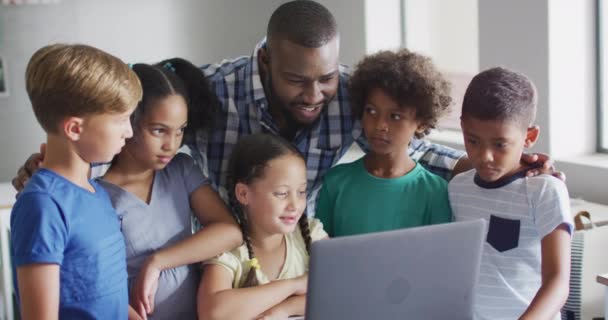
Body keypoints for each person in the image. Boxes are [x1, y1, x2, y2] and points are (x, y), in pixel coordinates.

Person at [12, 0, 557, 213]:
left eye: (325, 79)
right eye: (298, 80)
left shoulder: (350, 95)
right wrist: (62, 165)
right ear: (266, 59)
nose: (314, 95)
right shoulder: (211, 89)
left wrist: (502, 166)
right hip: (217, 246)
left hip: (299, 250)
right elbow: (134, 134)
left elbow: (413, 149)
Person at [97, 59, 242, 320]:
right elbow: (98, 284)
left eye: (180, 132)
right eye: (159, 131)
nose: (171, 145)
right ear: (128, 121)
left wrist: (158, 261)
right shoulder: (98, 193)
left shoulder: (182, 170)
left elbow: (230, 231)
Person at [10, 44, 141, 319]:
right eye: (121, 120)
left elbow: (97, 288)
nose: (129, 131)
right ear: (74, 129)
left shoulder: (95, 191)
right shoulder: (43, 205)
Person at [448, 67, 572, 320]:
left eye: (500, 144)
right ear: (462, 128)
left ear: (529, 137)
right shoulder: (457, 188)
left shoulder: (544, 190)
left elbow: (558, 283)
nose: (485, 157)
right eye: (473, 141)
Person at [316, 49, 452, 237]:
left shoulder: (436, 192)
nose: (380, 125)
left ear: (421, 123)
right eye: (371, 111)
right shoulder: (336, 182)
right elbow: (321, 253)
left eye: (395, 116)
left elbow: (438, 258)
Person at [197, 133, 327, 320]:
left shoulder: (312, 235)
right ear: (243, 194)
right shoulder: (228, 250)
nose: (295, 205)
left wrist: (284, 309)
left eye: (301, 192)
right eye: (282, 193)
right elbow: (213, 313)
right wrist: (294, 285)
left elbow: (342, 288)